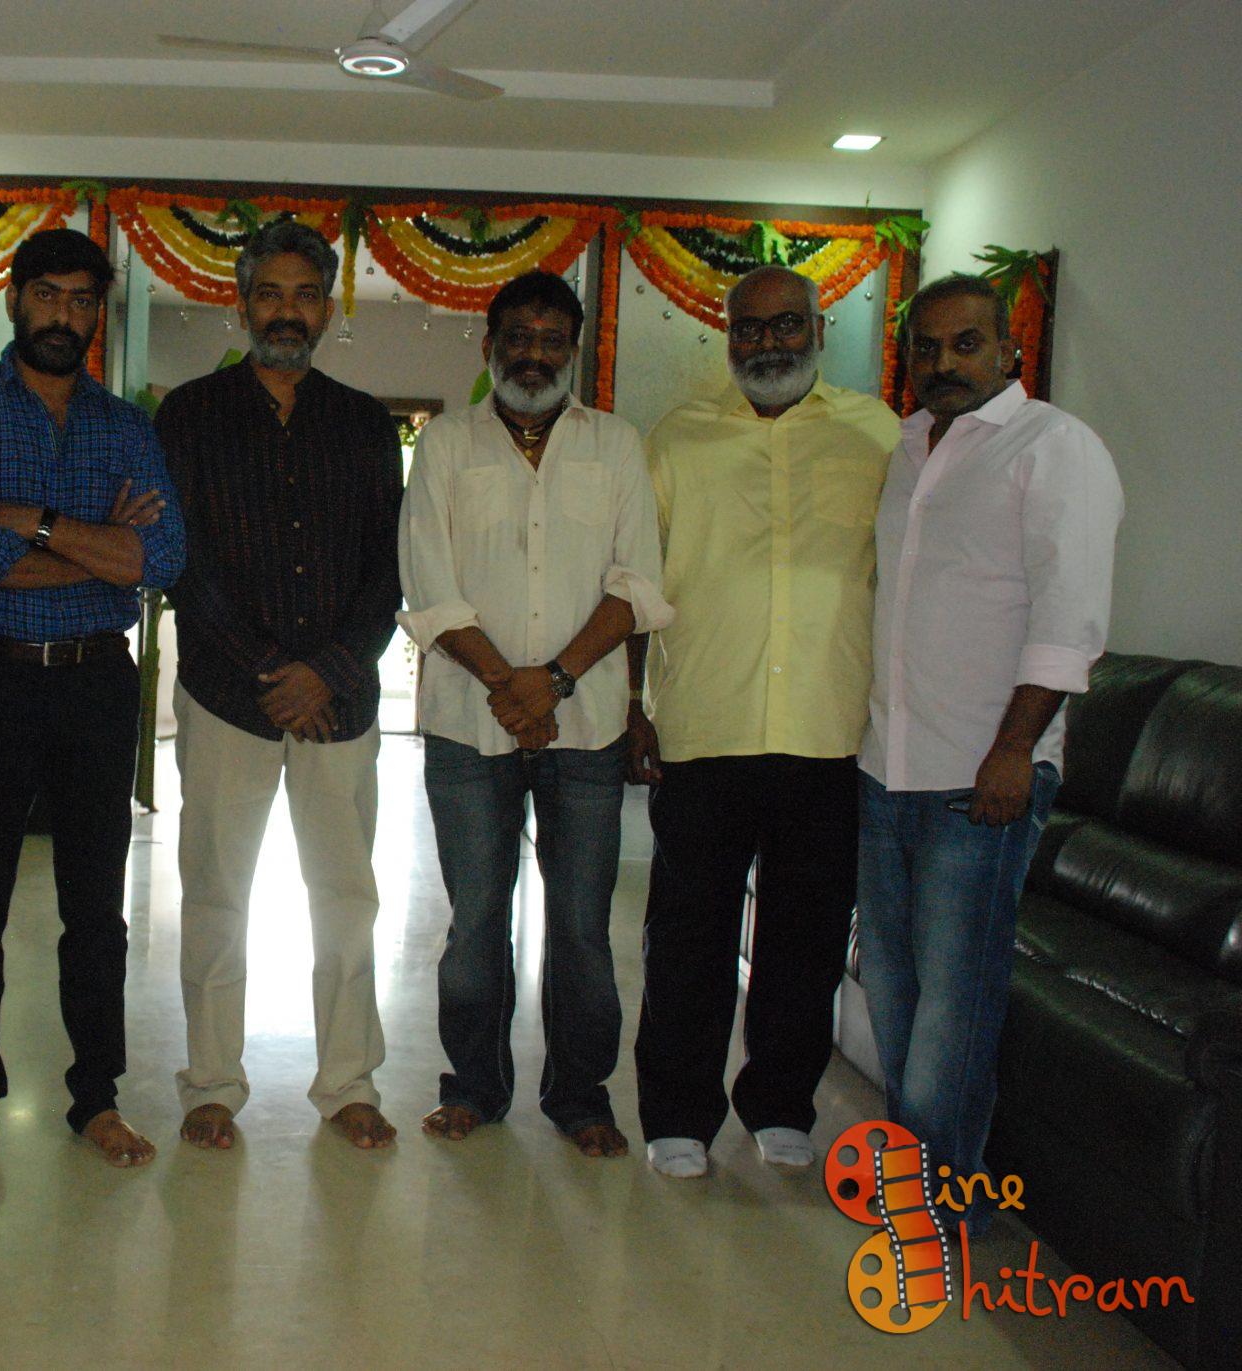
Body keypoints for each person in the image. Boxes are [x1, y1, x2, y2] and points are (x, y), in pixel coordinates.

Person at [0, 227, 186, 1173]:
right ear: (14, 299)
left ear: (97, 312)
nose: (64, 315)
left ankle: (96, 1098)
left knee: (96, 906)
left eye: (82, 299)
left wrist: (30, 521)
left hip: (95, 681)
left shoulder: (126, 426)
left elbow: (161, 559)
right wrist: (98, 547)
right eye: (48, 295)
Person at [857, 273, 1122, 1227]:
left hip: (981, 777)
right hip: (886, 766)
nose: (944, 363)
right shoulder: (907, 447)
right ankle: (918, 1175)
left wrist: (1014, 749)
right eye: (926, 348)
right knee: (892, 985)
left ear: (1010, 349)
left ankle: (940, 1203)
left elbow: (1069, 616)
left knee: (953, 1005)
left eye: (965, 344)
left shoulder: (1054, 447)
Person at [627, 265, 900, 1179]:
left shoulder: (876, 435)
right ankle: (678, 1113)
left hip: (829, 728)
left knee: (806, 937)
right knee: (688, 936)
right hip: (705, 723)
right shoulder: (678, 438)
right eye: (750, 327)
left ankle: (781, 1102)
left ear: (819, 330)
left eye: (787, 325)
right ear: (729, 334)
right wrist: (631, 706)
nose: (768, 342)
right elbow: (636, 580)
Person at [398, 270, 671, 1157]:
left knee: (583, 928)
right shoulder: (447, 443)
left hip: (584, 728)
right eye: (518, 337)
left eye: (553, 341)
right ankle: (474, 1087)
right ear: (490, 345)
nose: (534, 355)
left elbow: (636, 584)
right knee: (477, 921)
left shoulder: (615, 445)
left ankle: (580, 1095)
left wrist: (549, 682)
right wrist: (509, 686)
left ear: (574, 350)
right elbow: (429, 586)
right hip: (467, 726)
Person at [155, 220, 404, 1153]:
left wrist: (327, 671)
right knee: (217, 894)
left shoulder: (366, 423)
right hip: (231, 697)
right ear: (242, 304)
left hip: (339, 702)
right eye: (270, 294)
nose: (287, 312)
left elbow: (390, 566)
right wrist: (272, 670)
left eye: (305, 295)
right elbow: (182, 558)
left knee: (346, 898)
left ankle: (348, 1082)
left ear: (327, 309)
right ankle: (211, 1084)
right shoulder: (189, 416)